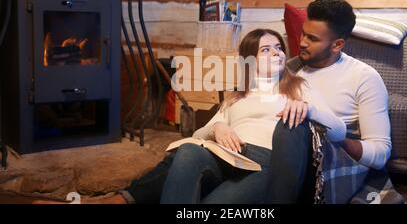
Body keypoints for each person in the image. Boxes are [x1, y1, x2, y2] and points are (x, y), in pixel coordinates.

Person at [32, 28, 345, 204]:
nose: (276, 52)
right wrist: (218, 127)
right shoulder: (236, 97)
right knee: (187, 153)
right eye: (265, 50)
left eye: (278, 48)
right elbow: (196, 137)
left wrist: (310, 109)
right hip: (225, 155)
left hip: (265, 164)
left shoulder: (299, 87)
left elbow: (341, 130)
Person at [265, 0, 392, 204]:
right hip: (275, 157)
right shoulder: (289, 69)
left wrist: (334, 137)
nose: (302, 42)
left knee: (294, 126)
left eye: (313, 39)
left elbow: (380, 154)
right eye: (303, 33)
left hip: (329, 165)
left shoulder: (364, 77)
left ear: (337, 44)